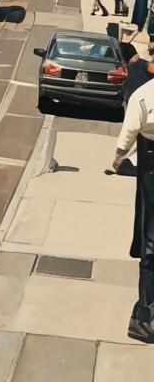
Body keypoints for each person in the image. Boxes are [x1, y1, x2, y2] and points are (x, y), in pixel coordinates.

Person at [112, 72, 154, 343]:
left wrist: (118, 157)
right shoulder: (145, 93)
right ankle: (144, 313)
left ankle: (144, 312)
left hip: (149, 163)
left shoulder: (144, 93)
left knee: (151, 237)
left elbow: (130, 130)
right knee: (151, 240)